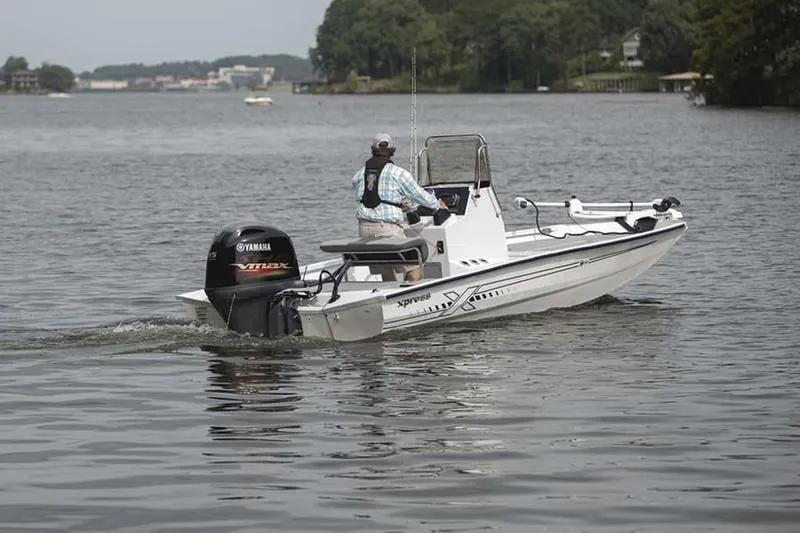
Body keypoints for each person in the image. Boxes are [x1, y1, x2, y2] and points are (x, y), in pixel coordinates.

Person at [352, 133, 447, 282]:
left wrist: (396, 202)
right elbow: (419, 195)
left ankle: (388, 293)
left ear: (373, 150)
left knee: (386, 267)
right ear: (392, 150)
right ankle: (409, 294)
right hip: (386, 230)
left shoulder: (360, 174)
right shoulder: (398, 173)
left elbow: (366, 193)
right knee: (415, 269)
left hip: (364, 229)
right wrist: (437, 205)